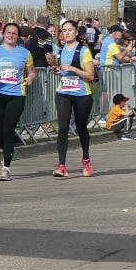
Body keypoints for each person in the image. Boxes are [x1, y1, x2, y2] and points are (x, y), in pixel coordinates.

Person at [0, 21, 35, 181]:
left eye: (14, 33)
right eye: (8, 32)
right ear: (3, 34)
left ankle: (6, 168)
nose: (11, 35)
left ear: (18, 36)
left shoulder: (25, 53)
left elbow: (32, 72)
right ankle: (6, 152)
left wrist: (30, 78)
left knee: (9, 129)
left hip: (17, 95)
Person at [50, 20, 97, 178]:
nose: (67, 33)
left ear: (76, 32)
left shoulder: (83, 50)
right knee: (63, 128)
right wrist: (57, 71)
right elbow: (62, 71)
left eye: (70, 30)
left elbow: (90, 75)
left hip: (82, 95)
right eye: (64, 30)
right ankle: (61, 165)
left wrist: (72, 69)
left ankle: (86, 158)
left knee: (81, 128)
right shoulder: (60, 50)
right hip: (63, 93)